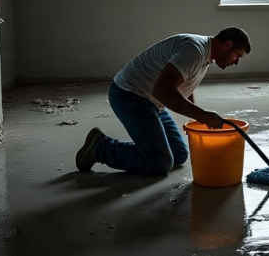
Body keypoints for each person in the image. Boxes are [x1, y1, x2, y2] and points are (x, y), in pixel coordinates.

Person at [75, 27, 251, 176]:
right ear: (227, 45)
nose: (236, 62)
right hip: (130, 96)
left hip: (152, 101)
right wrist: (203, 116)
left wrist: (196, 114)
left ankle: (145, 149)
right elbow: (163, 91)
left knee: (179, 154)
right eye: (238, 56)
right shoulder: (194, 50)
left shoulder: (204, 54)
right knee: (160, 163)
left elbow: (183, 82)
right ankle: (100, 147)